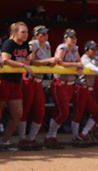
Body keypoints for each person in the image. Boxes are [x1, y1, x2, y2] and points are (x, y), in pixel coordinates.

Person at [19, 25, 57, 150]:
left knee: (40, 111)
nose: (45, 36)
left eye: (46, 34)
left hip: (39, 81)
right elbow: (31, 61)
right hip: (29, 79)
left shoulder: (47, 45)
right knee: (26, 109)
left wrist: (52, 62)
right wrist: (49, 60)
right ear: (36, 35)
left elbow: (48, 62)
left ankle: (31, 138)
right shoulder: (32, 44)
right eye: (42, 34)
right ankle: (22, 139)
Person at [45, 28, 82, 149]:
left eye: (75, 37)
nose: (73, 40)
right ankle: (50, 136)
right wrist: (75, 65)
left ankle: (52, 137)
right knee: (64, 112)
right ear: (65, 38)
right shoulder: (62, 47)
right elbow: (59, 62)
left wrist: (77, 65)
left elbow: (80, 62)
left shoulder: (75, 49)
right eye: (71, 37)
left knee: (59, 112)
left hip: (70, 84)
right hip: (59, 83)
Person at [0, 22, 33, 150]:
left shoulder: (25, 44)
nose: (26, 35)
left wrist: (25, 61)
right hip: (4, 82)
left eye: (27, 32)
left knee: (17, 114)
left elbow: (30, 58)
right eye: (23, 32)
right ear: (15, 33)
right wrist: (23, 64)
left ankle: (4, 142)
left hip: (15, 83)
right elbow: (5, 59)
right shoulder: (9, 43)